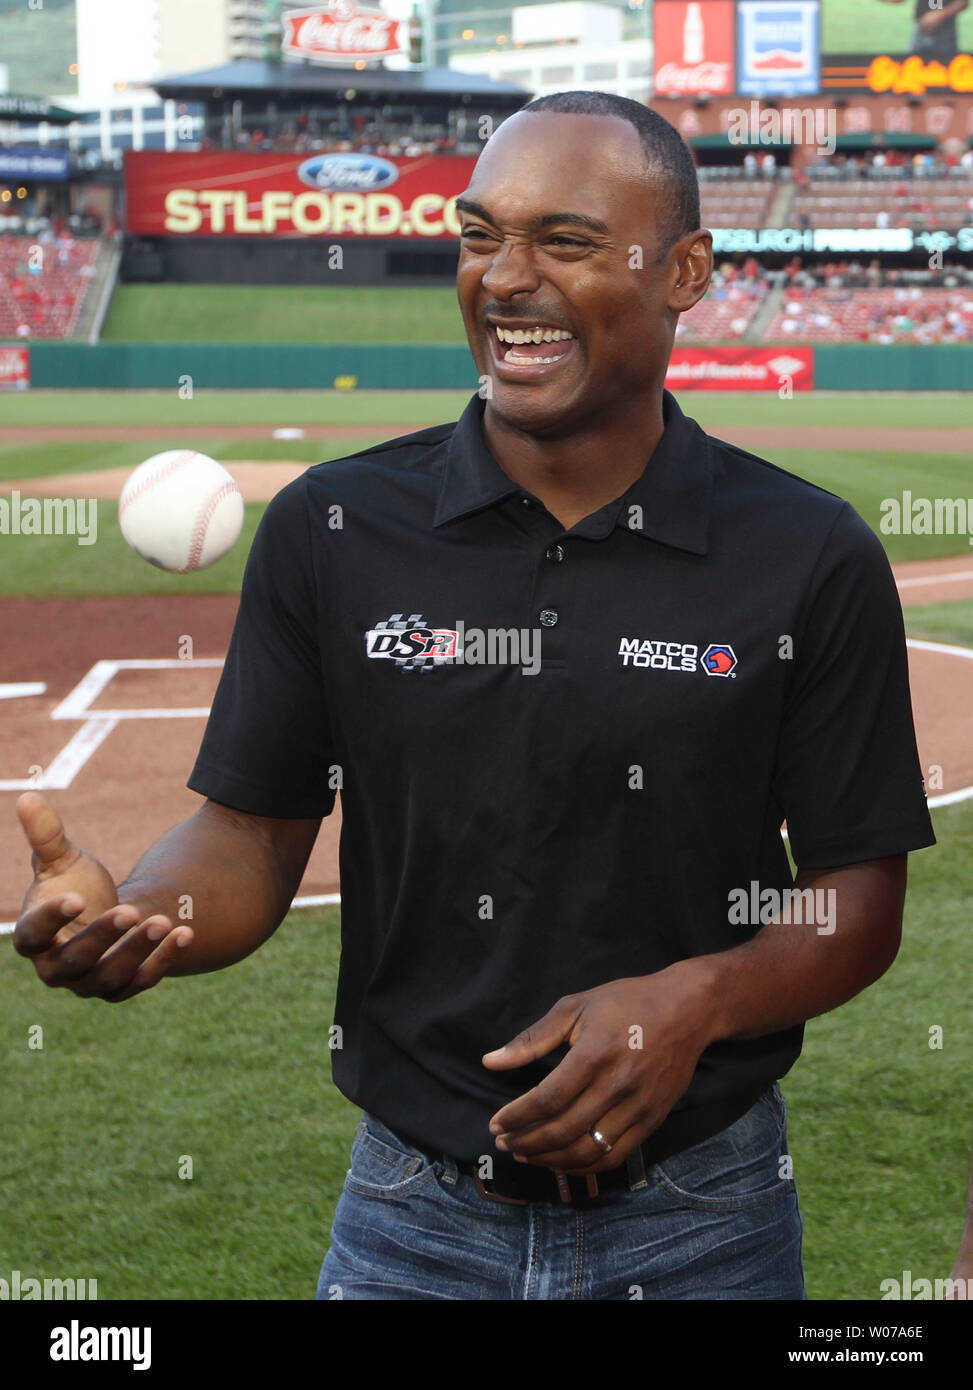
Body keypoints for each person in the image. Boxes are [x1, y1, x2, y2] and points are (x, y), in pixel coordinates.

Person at [11, 91, 936, 1302]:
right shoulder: (333, 529)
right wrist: (145, 915)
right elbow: (248, 832)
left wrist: (696, 999)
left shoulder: (808, 554)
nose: (505, 278)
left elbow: (854, 898)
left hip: (704, 1216)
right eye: (476, 234)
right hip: (410, 1221)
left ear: (687, 271)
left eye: (564, 241)